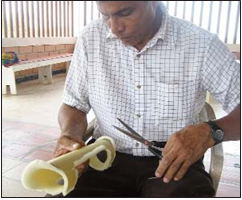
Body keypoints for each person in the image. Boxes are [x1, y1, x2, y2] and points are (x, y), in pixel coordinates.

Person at [49, 1, 240, 197]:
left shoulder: (201, 44)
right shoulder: (91, 38)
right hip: (103, 156)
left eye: (125, 12)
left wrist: (212, 131)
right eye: (105, 15)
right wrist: (70, 136)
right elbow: (73, 105)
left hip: (175, 160)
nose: (115, 28)